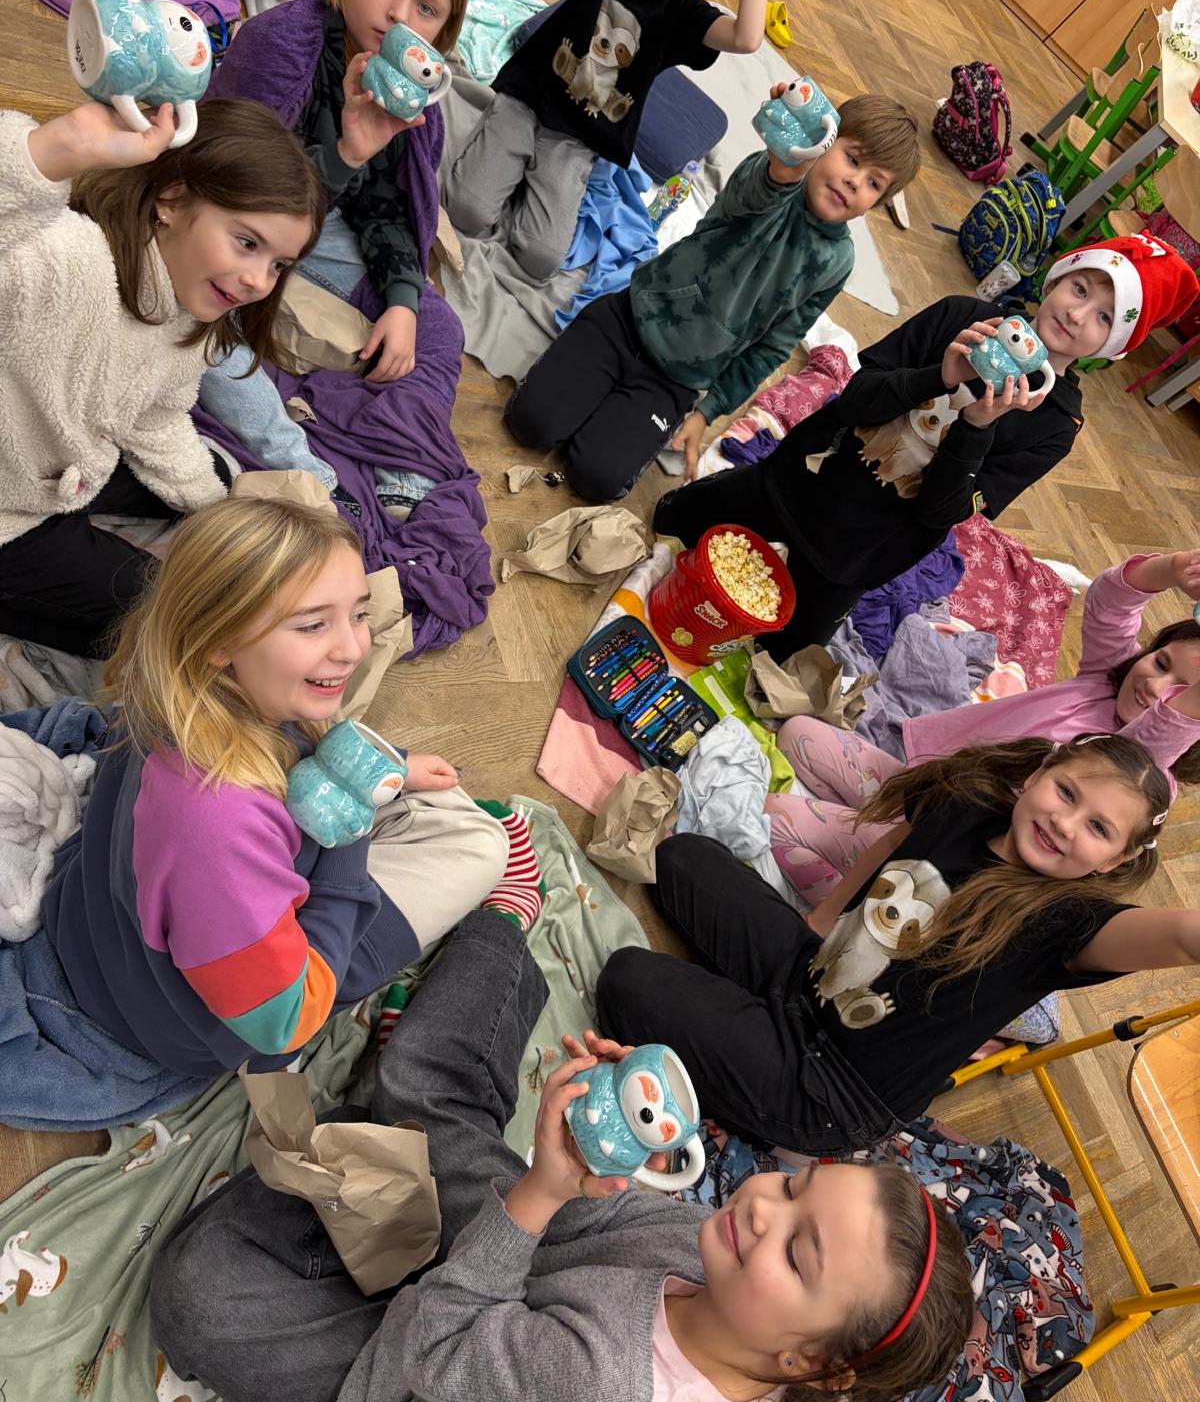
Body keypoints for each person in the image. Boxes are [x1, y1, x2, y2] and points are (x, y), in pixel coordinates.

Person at [149, 909, 973, 1402]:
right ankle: (505, 930)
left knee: (201, 1301)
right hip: (506, 1270)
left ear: (805, 1362)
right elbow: (596, 1225)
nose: (762, 1206)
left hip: (433, 1357)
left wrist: (538, 1197)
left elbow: (436, 1352)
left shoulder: (600, 1380)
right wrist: (594, 1149)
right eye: (794, 1188)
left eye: (796, 1251)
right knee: (418, 1094)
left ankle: (382, 1166)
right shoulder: (725, 1265)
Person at [36, 494, 530, 1097]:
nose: (353, 648)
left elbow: (280, 762)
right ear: (217, 638)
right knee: (480, 844)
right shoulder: (216, 824)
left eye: (358, 613)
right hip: (190, 1022)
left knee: (446, 810)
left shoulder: (174, 688)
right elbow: (284, 1020)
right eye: (312, 624)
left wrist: (391, 766)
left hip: (98, 930)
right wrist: (349, 824)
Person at [598, 733, 1200, 1151]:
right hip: (809, 977)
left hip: (831, 1092)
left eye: (1098, 828)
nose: (1065, 824)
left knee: (630, 980)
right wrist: (821, 919)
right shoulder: (969, 803)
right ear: (1037, 775)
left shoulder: (1066, 924)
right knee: (682, 857)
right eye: (1066, 792)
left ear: (1112, 863)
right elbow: (894, 847)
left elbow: (1178, 936)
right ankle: (739, 1028)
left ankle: (760, 1097)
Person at [653, 233, 1200, 661]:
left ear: (1113, 344)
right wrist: (939, 376)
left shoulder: (1056, 425)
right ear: (1056, 279)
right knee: (670, 517)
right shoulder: (962, 316)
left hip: (856, 554)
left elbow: (943, 512)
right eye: (1080, 289)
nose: (1078, 314)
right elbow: (854, 399)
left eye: (1104, 316)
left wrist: (977, 425)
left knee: (779, 655)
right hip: (795, 480)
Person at [0, 97, 324, 657]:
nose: (258, 280)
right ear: (171, 200)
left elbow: (156, 419)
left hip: (58, 468)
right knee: (181, 615)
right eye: (247, 243)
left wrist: (215, 509)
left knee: (221, 481)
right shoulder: (67, 261)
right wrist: (56, 147)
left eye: (278, 264)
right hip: (11, 510)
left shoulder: (190, 316)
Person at [506, 89, 920, 499]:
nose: (854, 181)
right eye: (852, 159)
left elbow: (774, 346)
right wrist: (782, 173)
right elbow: (747, 195)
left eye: (873, 183)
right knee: (530, 424)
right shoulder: (770, 176)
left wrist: (708, 411)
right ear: (825, 141)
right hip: (628, 318)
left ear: (877, 203)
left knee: (596, 478)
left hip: (677, 380)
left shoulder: (838, 262)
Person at [206, 0, 472, 519]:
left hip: (328, 228)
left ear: (442, 32)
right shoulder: (282, 46)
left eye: (426, 8)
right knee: (203, 336)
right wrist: (348, 153)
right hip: (246, 220)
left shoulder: (410, 94)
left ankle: (401, 463)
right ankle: (305, 465)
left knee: (437, 327)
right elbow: (244, 206)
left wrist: (402, 301)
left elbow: (391, 210)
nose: (397, 14)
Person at [767, 548, 1200, 899]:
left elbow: (1169, 725)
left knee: (775, 817)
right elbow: (1110, 603)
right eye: (1161, 663)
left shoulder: (1144, 764)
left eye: (1180, 692)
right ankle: (856, 830)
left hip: (941, 835)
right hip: (922, 777)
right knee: (796, 731)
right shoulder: (1108, 678)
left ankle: (859, 908)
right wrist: (1172, 569)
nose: (1155, 686)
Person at [446, 0, 775, 283]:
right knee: (466, 209)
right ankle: (502, 164)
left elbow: (747, 37)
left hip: (579, 140)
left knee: (540, 257)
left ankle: (518, 178)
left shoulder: (684, 11)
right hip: (527, 98)